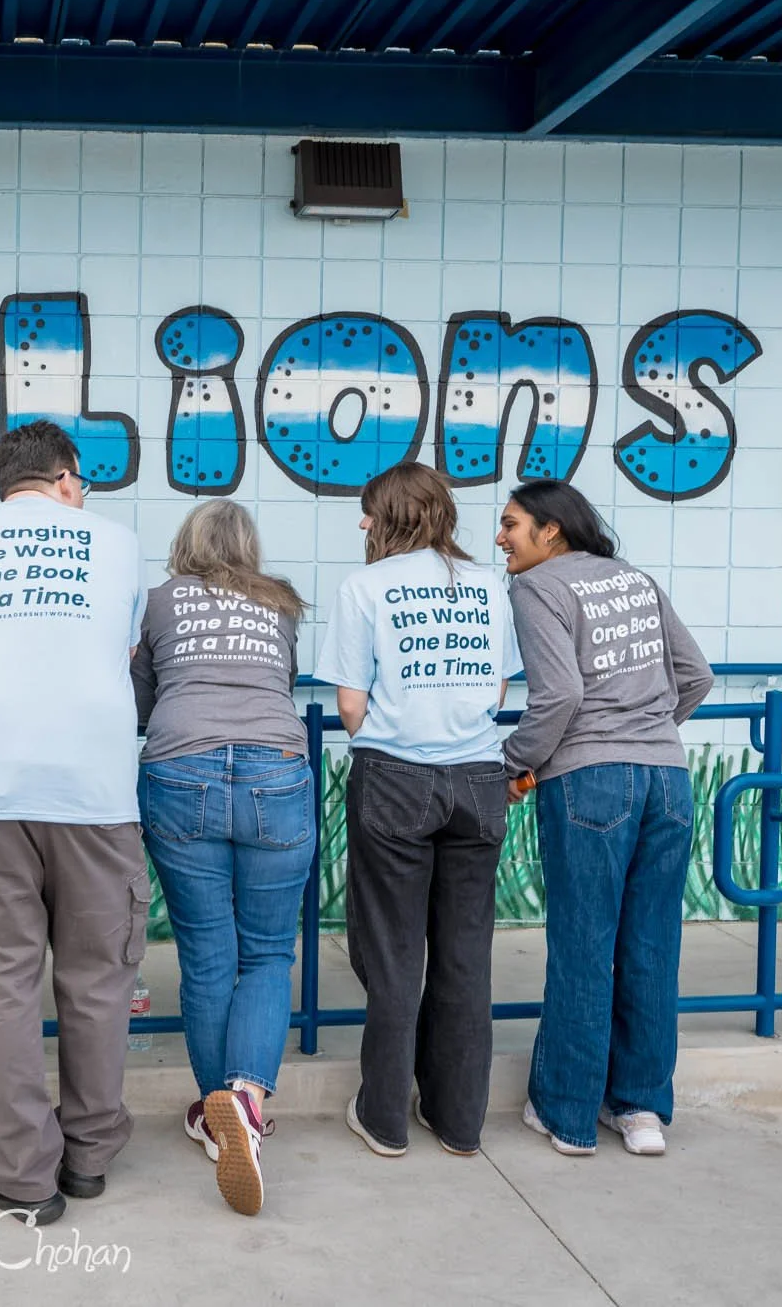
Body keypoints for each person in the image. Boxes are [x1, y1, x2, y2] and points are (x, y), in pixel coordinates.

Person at [0, 418, 147, 1227]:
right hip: (95, 789)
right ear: (65, 478)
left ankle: (22, 1172)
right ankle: (88, 1154)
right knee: (98, 979)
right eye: (79, 482)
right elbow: (125, 645)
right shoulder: (116, 542)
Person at [497, 479, 713, 1158]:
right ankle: (641, 1110)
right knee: (652, 946)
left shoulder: (537, 587)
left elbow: (559, 693)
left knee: (584, 947)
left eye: (510, 524)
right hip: (668, 780)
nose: (500, 538)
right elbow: (697, 676)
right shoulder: (635, 579)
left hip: (590, 782)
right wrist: (646, 732)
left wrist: (513, 762)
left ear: (550, 530)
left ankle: (567, 1115)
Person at [313, 462, 520, 1161]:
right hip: (480, 776)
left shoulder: (365, 586)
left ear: (393, 516)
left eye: (369, 510)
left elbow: (350, 703)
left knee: (393, 952)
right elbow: (497, 688)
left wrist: (393, 737)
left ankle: (384, 1118)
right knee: (465, 954)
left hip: (396, 775)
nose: (362, 522)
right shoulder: (489, 584)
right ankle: (458, 1120)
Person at [130, 499, 311, 1217]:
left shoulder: (157, 603)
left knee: (208, 955)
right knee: (267, 954)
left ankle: (219, 1116)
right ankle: (246, 1099)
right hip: (276, 771)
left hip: (181, 770)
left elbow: (142, 702)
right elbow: (283, 687)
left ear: (186, 543)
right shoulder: (281, 603)